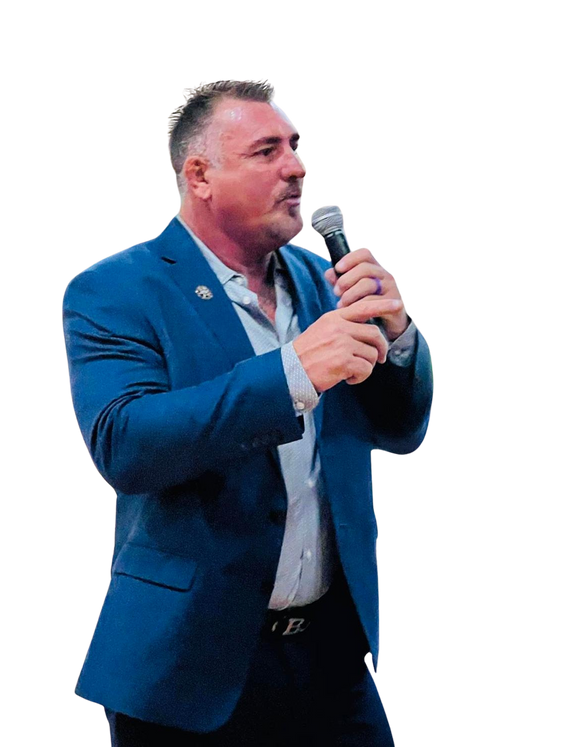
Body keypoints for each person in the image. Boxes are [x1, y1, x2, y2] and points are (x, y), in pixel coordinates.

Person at [62, 79, 433, 746]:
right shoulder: (115, 288)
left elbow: (399, 428)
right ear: (200, 176)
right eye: (267, 151)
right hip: (187, 667)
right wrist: (292, 373)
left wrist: (399, 336)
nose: (296, 168)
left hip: (330, 658)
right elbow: (125, 446)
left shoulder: (324, 282)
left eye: (294, 147)